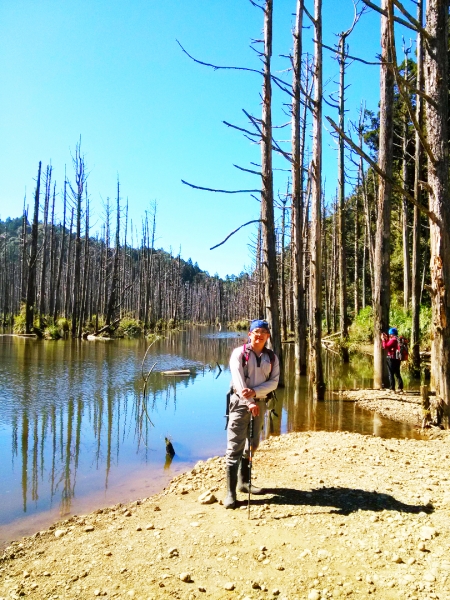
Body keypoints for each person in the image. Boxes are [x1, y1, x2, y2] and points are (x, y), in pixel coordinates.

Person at [224, 319, 280, 509]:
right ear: (249, 334)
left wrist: (255, 394)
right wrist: (248, 401)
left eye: (264, 332)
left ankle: (244, 483)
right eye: (256, 332)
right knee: (235, 446)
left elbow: (274, 383)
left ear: (268, 336)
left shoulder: (271, 357)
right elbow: (238, 381)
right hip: (240, 404)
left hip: (261, 403)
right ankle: (230, 493)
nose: (260, 335)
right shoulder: (239, 354)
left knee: (253, 443)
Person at [381, 327, 404, 393]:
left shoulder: (393, 340)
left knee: (390, 374)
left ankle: (392, 388)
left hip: (392, 359)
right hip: (397, 359)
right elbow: (390, 344)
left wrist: (383, 340)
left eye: (389, 334)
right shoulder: (397, 339)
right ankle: (400, 388)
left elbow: (385, 346)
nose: (389, 335)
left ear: (391, 334)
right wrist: (387, 339)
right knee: (397, 374)